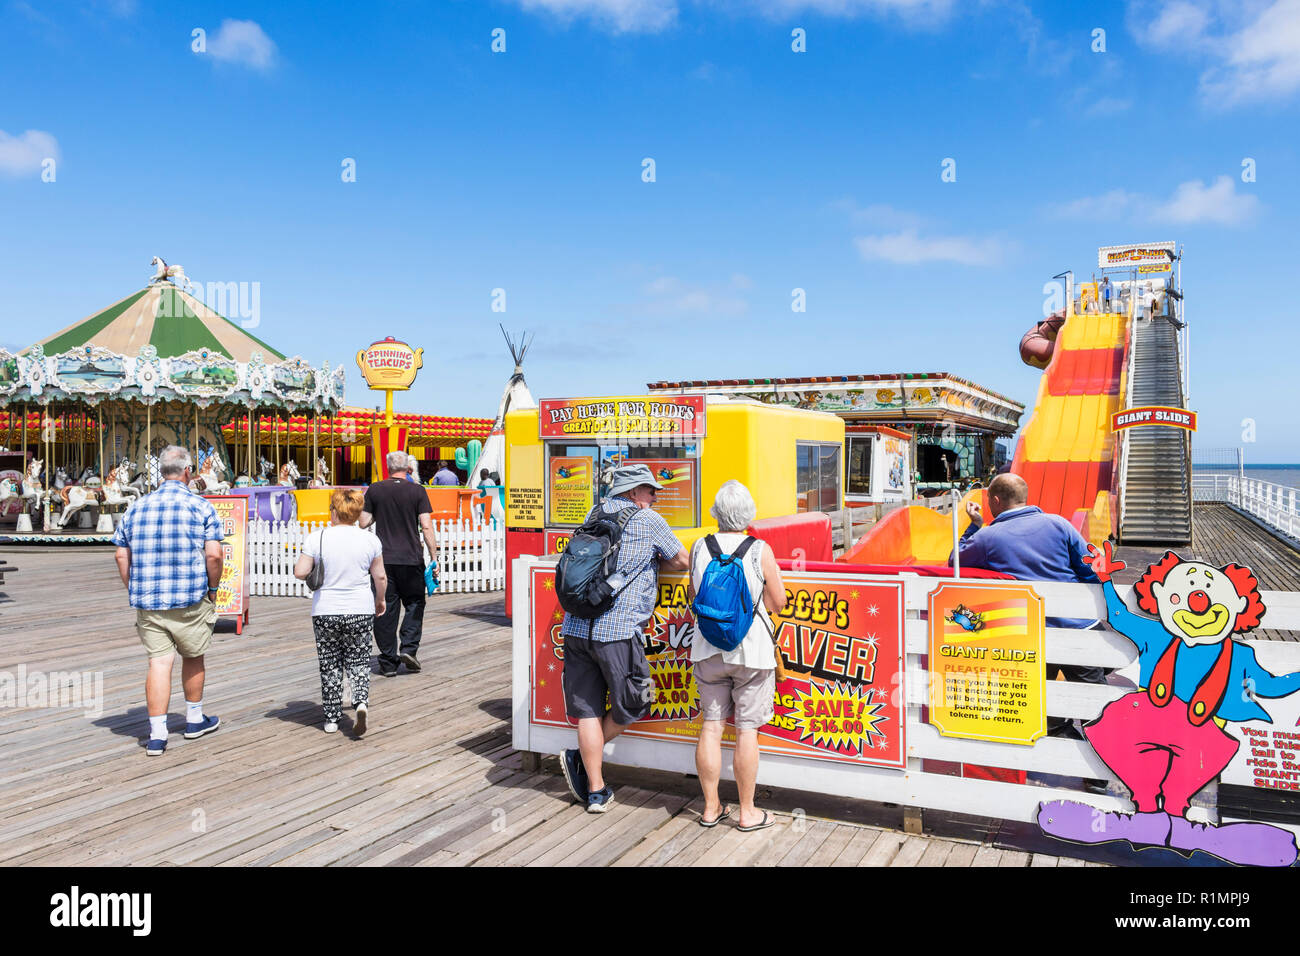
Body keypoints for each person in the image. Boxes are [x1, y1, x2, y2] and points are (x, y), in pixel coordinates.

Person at [558, 463, 689, 813]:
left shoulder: (594, 512)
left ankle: (597, 790)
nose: (655, 497)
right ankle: (582, 761)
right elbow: (681, 560)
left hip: (575, 626)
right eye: (650, 491)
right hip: (617, 631)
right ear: (633, 493)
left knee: (587, 709)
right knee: (636, 701)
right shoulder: (648, 521)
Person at [950, 473, 1108, 745]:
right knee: (1096, 705)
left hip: (1033, 636)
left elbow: (954, 561)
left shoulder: (988, 538)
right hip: (1080, 629)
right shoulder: (1059, 524)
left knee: (1039, 706)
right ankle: (1099, 772)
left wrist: (975, 525)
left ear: (995, 500)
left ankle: (1067, 741)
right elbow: (1090, 570)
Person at [112, 445, 223, 756]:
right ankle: (193, 719)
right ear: (187, 472)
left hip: (149, 601)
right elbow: (214, 554)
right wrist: (212, 589)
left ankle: (158, 734)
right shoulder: (200, 507)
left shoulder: (136, 508)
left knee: (159, 663)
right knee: (194, 656)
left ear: (161, 472)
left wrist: (133, 586)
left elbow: (121, 553)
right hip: (190, 598)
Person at [689, 481, 786, 832]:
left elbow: (693, 595)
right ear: (749, 514)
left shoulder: (700, 546)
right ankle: (747, 812)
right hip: (752, 652)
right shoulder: (760, 549)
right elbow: (777, 602)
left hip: (707, 647)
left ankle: (712, 808)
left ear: (716, 513)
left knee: (711, 728)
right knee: (747, 732)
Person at [294, 488, 387, 734]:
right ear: (357, 514)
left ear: (334, 512)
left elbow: (300, 572)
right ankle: (360, 703)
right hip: (360, 608)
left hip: (326, 610)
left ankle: (332, 718)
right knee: (359, 661)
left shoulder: (318, 537)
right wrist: (380, 600)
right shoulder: (370, 540)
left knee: (330, 664)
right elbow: (379, 576)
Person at [361, 451, 437, 676]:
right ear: (408, 468)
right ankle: (409, 649)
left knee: (385, 607)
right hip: (411, 558)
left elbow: (363, 521)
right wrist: (434, 557)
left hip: (383, 560)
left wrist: (379, 512)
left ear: (388, 467)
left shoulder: (375, 489)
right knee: (414, 603)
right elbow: (426, 526)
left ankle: (387, 662)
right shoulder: (418, 491)